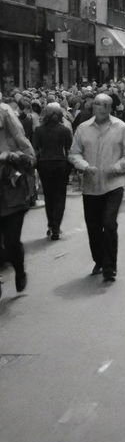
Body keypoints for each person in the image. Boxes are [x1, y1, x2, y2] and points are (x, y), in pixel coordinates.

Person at [69, 94, 125, 282]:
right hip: (91, 185)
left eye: (105, 105)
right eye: (97, 104)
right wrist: (84, 166)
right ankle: (99, 259)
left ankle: (110, 266)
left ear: (110, 108)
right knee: (94, 226)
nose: (100, 108)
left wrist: (116, 168)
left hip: (114, 184)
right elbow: (74, 153)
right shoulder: (83, 129)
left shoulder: (121, 128)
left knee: (109, 222)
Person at [0, 101, 36, 298]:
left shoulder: (5, 112)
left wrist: (16, 157)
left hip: (10, 189)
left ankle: (19, 270)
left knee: (12, 242)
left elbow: (27, 151)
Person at [33, 103, 72, 240]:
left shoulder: (39, 130)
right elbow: (69, 150)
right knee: (60, 196)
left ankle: (51, 224)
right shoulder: (65, 130)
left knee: (48, 196)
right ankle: (56, 226)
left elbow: (36, 149)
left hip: (44, 164)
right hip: (60, 164)